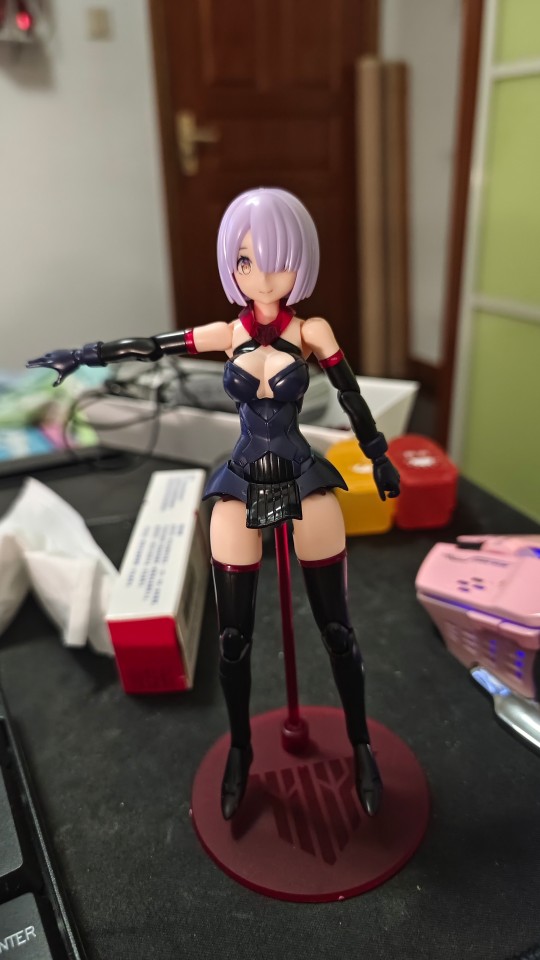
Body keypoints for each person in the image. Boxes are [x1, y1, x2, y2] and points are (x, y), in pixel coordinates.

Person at [27, 187, 400, 821]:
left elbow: (351, 395)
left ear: (299, 262)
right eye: (246, 261)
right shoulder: (226, 334)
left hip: (304, 477)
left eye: (274, 261)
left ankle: (361, 744)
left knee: (337, 630)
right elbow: (153, 346)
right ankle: (242, 749)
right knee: (232, 639)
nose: (261, 276)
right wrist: (85, 356)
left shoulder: (312, 332)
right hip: (240, 482)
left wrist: (379, 455)